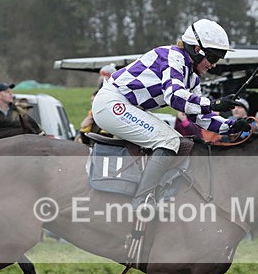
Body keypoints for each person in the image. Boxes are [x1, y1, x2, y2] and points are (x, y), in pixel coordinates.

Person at [91, 18, 245, 208]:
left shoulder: (192, 78)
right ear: (197, 50)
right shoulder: (173, 56)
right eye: (213, 58)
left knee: (175, 140)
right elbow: (175, 97)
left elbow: (200, 117)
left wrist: (231, 126)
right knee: (169, 141)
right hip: (111, 103)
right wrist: (214, 103)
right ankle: (142, 201)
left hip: (127, 106)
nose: (213, 65)